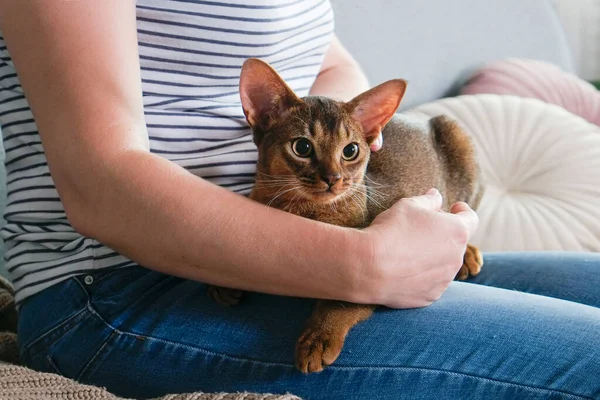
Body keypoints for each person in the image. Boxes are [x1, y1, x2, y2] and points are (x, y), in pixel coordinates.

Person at [0, 1, 598, 399]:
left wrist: (349, 127)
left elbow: (327, 64)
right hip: (115, 287)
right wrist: (366, 266)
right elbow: (99, 184)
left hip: (281, 254)